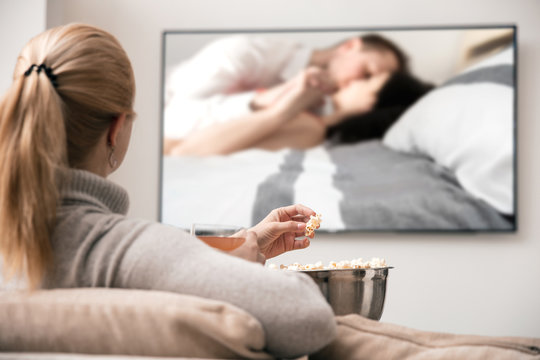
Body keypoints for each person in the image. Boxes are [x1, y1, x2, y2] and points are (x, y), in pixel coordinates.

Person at [0, 23, 336, 358]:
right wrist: (231, 261)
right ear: (116, 129)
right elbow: (309, 317)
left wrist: (227, 256)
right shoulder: (125, 250)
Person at [163, 33, 409, 156]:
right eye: (366, 73)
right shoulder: (247, 52)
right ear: (350, 46)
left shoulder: (324, 111)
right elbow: (169, 125)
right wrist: (269, 100)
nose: (357, 84)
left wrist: (341, 113)